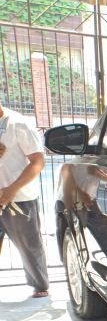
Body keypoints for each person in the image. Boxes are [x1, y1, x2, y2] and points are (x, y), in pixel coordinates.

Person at [0, 102, 49, 298]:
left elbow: (38, 162)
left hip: (18, 198)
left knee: (29, 245)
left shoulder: (18, 124)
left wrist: (11, 189)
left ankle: (40, 284)